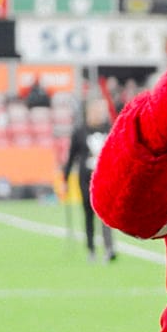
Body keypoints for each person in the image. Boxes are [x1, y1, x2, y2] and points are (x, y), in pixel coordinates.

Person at [63, 98, 116, 261]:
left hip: (105, 177)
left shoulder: (109, 129)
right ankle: (91, 248)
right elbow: (72, 157)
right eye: (95, 111)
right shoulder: (80, 131)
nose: (98, 114)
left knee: (106, 213)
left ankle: (109, 248)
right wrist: (65, 179)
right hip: (86, 178)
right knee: (88, 212)